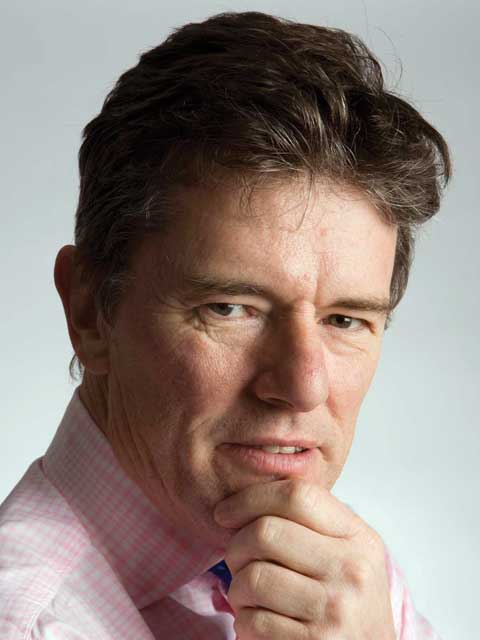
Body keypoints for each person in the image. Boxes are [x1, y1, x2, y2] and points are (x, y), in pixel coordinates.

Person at [0, 11, 450, 640]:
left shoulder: (351, 590)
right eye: (231, 308)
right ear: (89, 311)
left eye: (345, 319)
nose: (303, 387)